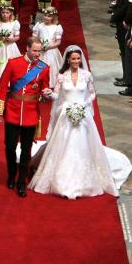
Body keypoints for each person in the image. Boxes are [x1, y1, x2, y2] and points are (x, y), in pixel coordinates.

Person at [29, 46, 117, 199]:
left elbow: (92, 94)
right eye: (73, 59)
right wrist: (50, 94)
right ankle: (61, 182)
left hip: (83, 115)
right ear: (68, 60)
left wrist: (83, 104)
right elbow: (57, 95)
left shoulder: (87, 75)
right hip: (66, 115)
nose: (76, 61)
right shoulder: (62, 76)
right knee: (63, 146)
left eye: (78, 58)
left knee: (82, 146)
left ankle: (84, 181)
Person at [0, 37, 53, 197]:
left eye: (39, 51)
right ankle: (12, 174)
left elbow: (45, 87)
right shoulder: (13, 63)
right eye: (35, 50)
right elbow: (1, 87)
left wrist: (46, 92)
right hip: (12, 112)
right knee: (10, 147)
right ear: (27, 49)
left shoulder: (44, 68)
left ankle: (21, 181)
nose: (37, 54)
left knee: (26, 150)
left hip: (31, 113)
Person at [32, 7, 64, 88]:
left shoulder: (56, 27)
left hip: (51, 51)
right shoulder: (39, 26)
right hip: (40, 50)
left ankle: (51, 83)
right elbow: (34, 38)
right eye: (45, 15)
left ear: (53, 17)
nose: (46, 17)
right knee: (38, 66)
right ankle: (37, 82)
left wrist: (48, 46)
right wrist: (39, 45)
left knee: (51, 68)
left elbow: (58, 42)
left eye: (49, 16)